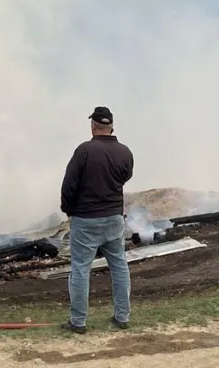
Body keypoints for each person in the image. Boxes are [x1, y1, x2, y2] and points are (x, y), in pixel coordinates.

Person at [59, 106, 135, 334]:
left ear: (93, 126)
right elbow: (125, 177)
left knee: (81, 269)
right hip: (113, 218)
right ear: (111, 126)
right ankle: (122, 317)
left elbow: (69, 186)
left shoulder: (84, 151)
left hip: (86, 220)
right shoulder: (125, 152)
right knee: (119, 267)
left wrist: (68, 211)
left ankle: (78, 322)